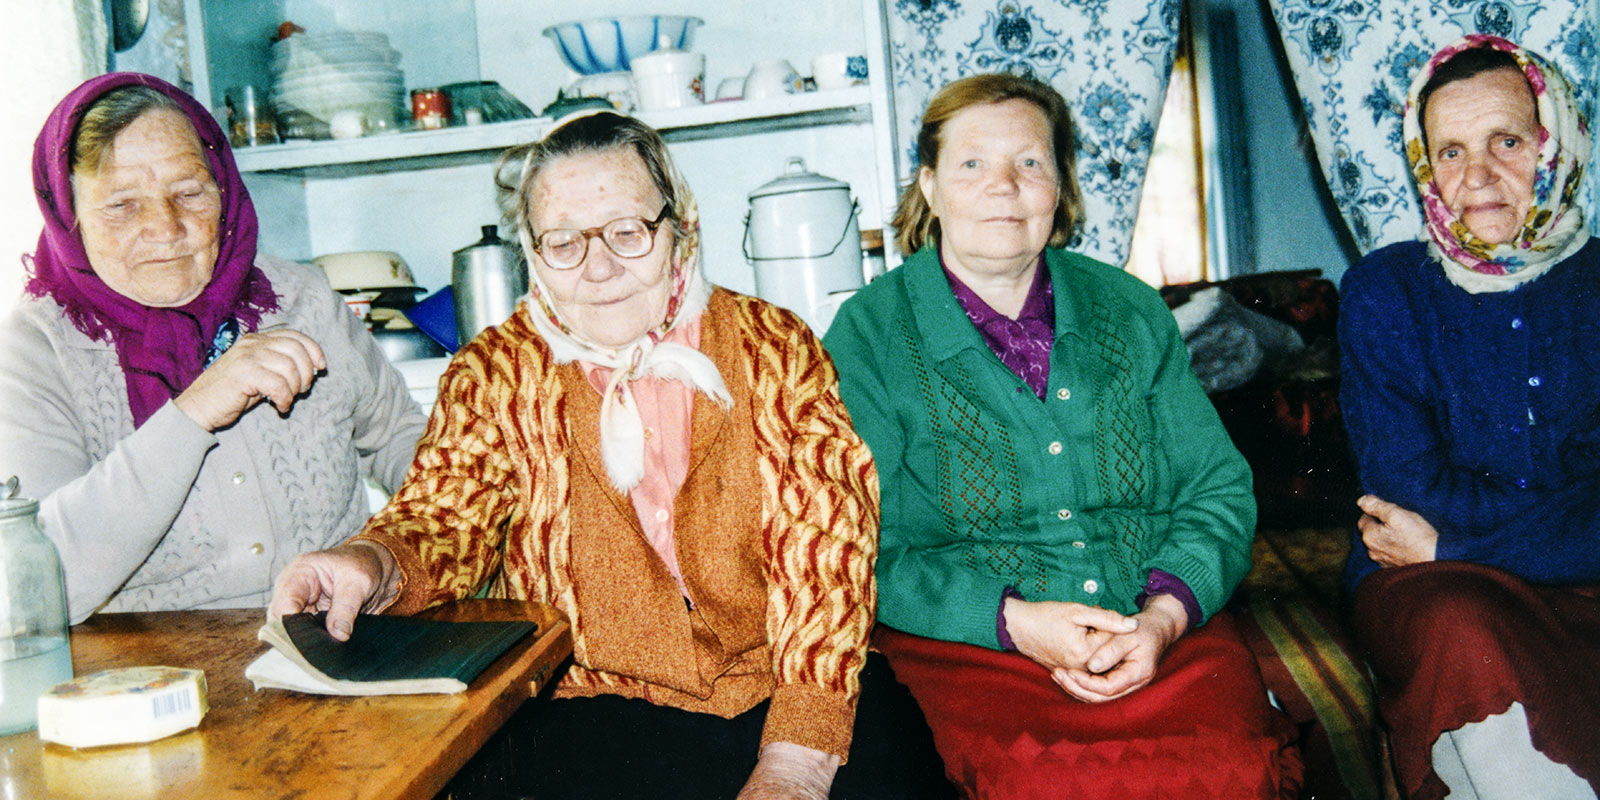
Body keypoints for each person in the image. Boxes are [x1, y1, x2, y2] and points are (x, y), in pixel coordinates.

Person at [268, 111, 950, 800]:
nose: (599, 268)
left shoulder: (772, 346)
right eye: (563, 242)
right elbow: (446, 518)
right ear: (531, 252)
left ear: (680, 223)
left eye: (628, 233)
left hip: (792, 682)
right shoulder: (498, 371)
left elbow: (825, 549)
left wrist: (796, 761)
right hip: (593, 708)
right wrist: (372, 561)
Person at [822, 73, 1300, 799]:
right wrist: (1015, 622)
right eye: (972, 163)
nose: (1004, 186)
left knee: (1234, 767)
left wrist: (1163, 620)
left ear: (1061, 186)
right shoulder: (867, 335)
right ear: (929, 184)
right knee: (1035, 781)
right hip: (974, 645)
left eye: (1031, 162)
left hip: (1162, 633)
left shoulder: (1131, 310)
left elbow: (1217, 488)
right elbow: (857, 547)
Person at [0, 73, 426, 624]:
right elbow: (37, 587)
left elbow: (399, 441)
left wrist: (394, 552)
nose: (166, 227)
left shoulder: (300, 299)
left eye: (189, 193)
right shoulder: (37, 349)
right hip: (147, 680)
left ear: (224, 191)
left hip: (336, 639)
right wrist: (195, 412)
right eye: (122, 205)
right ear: (69, 215)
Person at [1338, 34, 1600, 800]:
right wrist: (1559, 526)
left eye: (1507, 142)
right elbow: (1404, 494)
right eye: (1447, 152)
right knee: (1463, 630)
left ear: (1557, 143)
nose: (1476, 177)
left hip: (1445, 553)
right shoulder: (1383, 291)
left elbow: (1435, 524)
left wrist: (1453, 539)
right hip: (1427, 583)